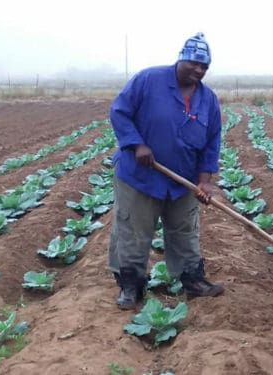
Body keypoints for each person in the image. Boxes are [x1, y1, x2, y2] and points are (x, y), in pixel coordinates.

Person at [107, 32, 225, 310]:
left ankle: (193, 281)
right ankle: (131, 286)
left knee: (185, 231)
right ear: (181, 59)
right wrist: (136, 144)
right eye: (193, 63)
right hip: (140, 177)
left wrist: (204, 181)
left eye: (204, 66)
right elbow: (119, 111)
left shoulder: (208, 99)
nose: (198, 70)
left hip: (182, 182)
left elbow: (212, 142)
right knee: (134, 231)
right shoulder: (148, 80)